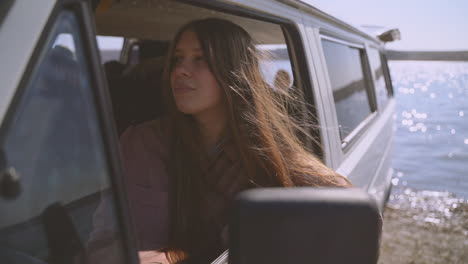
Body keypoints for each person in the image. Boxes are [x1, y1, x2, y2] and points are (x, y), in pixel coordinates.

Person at [117, 18, 351, 264]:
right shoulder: (142, 143)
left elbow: (350, 211)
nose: (180, 70)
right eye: (177, 59)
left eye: (201, 58)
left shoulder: (266, 152)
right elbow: (111, 241)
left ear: (233, 69)